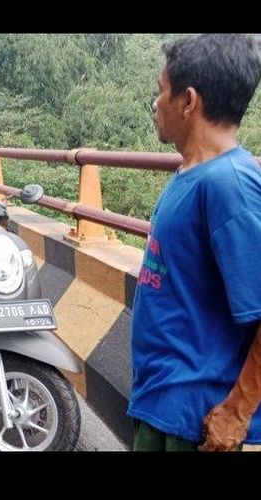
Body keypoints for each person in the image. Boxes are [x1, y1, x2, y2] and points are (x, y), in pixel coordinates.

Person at [128, 34, 261, 451]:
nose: (155, 103)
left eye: (160, 91)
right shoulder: (191, 173)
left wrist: (236, 414)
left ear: (188, 101)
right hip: (164, 403)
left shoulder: (230, 186)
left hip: (200, 420)